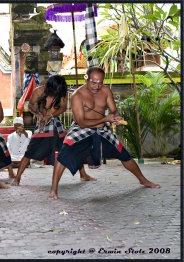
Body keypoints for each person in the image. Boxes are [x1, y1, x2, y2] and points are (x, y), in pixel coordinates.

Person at [49, 67, 161, 200]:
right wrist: (105, 119)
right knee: (64, 154)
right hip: (81, 129)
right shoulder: (77, 96)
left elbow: (114, 110)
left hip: (102, 129)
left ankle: (143, 180)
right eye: (93, 82)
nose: (97, 86)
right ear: (87, 78)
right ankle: (53, 190)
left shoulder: (106, 90)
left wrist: (116, 117)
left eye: (100, 82)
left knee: (123, 153)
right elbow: (82, 122)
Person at [12, 75, 93, 186]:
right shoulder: (39, 91)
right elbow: (30, 105)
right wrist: (39, 114)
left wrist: (50, 114)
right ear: (50, 85)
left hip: (56, 125)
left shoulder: (61, 93)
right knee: (29, 152)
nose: (57, 90)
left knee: (71, 147)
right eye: (56, 88)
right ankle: (17, 178)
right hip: (41, 127)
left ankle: (83, 174)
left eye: (60, 88)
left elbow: (63, 107)